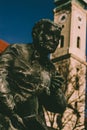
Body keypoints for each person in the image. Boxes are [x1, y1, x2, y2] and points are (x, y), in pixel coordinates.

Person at [0, 19, 66, 130]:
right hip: (7, 118)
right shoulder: (16, 51)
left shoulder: (50, 68)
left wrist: (54, 89)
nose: (55, 40)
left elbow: (59, 107)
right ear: (36, 34)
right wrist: (12, 111)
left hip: (34, 124)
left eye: (58, 38)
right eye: (50, 35)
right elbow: (1, 77)